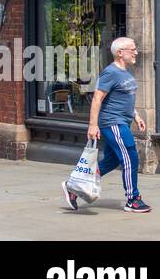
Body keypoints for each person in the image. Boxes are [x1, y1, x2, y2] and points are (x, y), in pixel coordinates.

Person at [62, 36, 150, 213]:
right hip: (112, 122)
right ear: (120, 53)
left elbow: (123, 99)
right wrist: (92, 125)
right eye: (132, 49)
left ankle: (75, 186)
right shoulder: (110, 72)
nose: (136, 52)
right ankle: (133, 198)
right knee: (130, 155)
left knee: (112, 160)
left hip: (122, 120)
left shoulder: (125, 72)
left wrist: (136, 116)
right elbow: (97, 98)